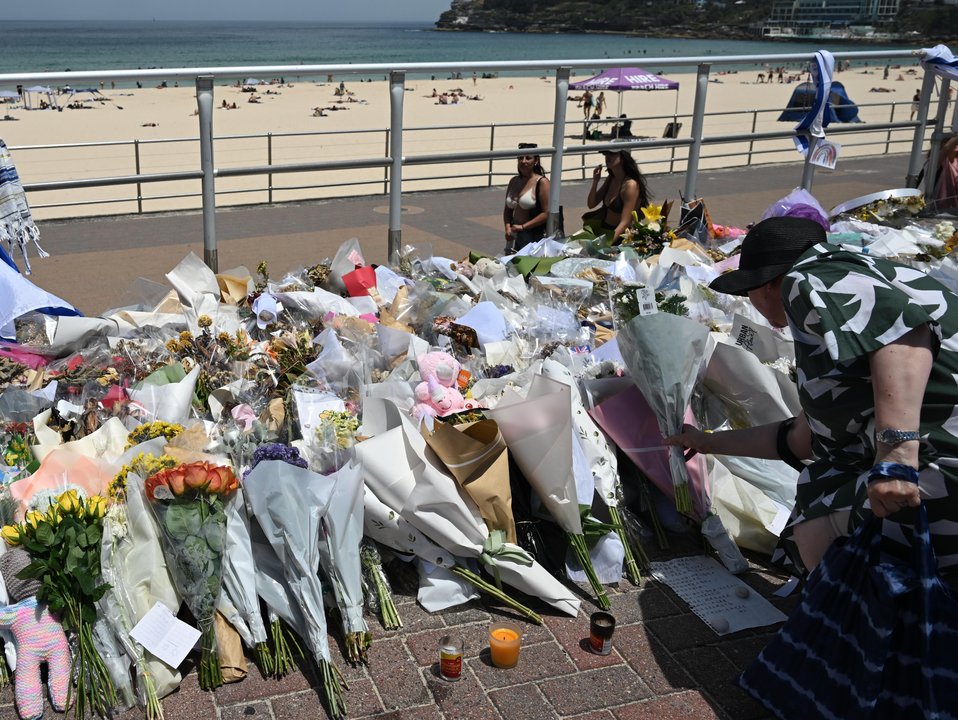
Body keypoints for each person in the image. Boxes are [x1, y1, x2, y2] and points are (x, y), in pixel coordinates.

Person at [666, 216, 958, 582]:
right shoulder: (856, 274)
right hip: (938, 460)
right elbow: (800, 438)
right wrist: (706, 443)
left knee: (818, 524)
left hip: (941, 466)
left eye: (748, 290)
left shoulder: (806, 278)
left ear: (768, 284)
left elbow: (902, 334)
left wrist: (896, 458)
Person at [585, 147, 650, 243]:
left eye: (612, 154)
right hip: (604, 230)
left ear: (623, 157)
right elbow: (591, 204)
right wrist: (595, 181)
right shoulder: (611, 178)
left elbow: (625, 223)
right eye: (606, 154)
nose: (607, 157)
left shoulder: (630, 185)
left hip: (620, 236)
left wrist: (606, 244)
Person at [502, 142, 550, 253]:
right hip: (514, 234)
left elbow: (546, 213)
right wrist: (507, 227)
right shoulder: (514, 181)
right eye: (520, 158)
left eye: (528, 158)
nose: (523, 161)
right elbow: (508, 210)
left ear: (536, 160)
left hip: (533, 235)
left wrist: (523, 227)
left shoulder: (542, 182)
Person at [933, 134, 958, 210]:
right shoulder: (934, 163)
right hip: (939, 211)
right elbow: (946, 148)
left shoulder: (956, 162)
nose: (954, 143)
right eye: (948, 140)